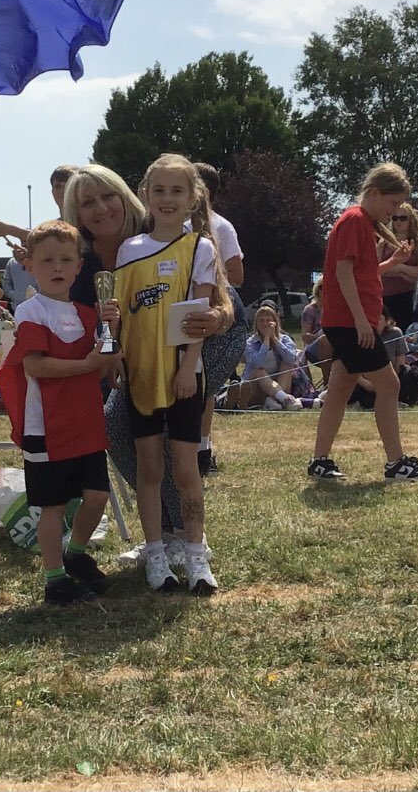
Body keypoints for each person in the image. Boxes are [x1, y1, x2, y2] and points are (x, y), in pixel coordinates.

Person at [62, 163, 244, 565]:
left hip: (211, 339)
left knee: (171, 440)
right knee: (116, 427)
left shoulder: (162, 223)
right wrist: (110, 352)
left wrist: (217, 318)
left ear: (128, 195)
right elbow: (100, 322)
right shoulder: (82, 260)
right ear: (76, 212)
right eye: (88, 203)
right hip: (143, 353)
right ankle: (160, 533)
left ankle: (187, 536)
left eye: (108, 196)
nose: (101, 208)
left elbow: (224, 296)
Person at [115, 153, 231, 596]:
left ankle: (197, 556)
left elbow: (198, 315)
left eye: (177, 191)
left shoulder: (201, 247)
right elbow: (121, 315)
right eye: (159, 190)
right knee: (148, 468)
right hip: (141, 377)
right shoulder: (129, 249)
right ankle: (156, 553)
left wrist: (187, 367)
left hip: (185, 376)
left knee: (186, 469)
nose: (167, 199)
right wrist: (116, 352)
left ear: (193, 197)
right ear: (145, 195)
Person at [0, 220, 117, 606]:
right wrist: (87, 365)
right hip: (46, 426)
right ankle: (54, 580)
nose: (57, 267)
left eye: (65, 259)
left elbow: (104, 356)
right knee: (53, 506)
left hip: (86, 421)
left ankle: (75, 555)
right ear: (29, 265)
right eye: (47, 260)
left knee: (97, 496)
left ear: (79, 266)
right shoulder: (30, 310)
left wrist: (112, 335)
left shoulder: (87, 313)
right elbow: (35, 366)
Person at [308, 163, 418, 482]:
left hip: (346, 322)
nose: (394, 213)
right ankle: (396, 463)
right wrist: (361, 321)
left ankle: (319, 461)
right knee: (390, 383)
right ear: (376, 193)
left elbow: (361, 273)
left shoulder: (361, 222)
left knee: (340, 388)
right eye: (393, 204)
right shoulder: (355, 220)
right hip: (350, 323)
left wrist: (392, 262)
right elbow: (342, 273)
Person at [191, 162, 244, 476]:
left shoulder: (221, 227)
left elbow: (237, 275)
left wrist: (210, 281)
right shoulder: (169, 222)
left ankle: (203, 448)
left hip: (212, 308)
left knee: (204, 382)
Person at [0, 164, 80, 247]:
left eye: (68, 185)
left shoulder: (83, 219)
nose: (63, 190)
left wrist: (10, 230)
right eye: (58, 186)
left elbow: (54, 239)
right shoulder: (55, 224)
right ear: (53, 193)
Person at [237, 304, 306, 410]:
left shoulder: (285, 339)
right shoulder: (250, 342)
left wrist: (274, 339)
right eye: (261, 321)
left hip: (279, 385)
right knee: (259, 371)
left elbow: (292, 359)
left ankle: (274, 400)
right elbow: (258, 363)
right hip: (255, 388)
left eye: (268, 320)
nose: (265, 324)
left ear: (275, 322)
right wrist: (266, 340)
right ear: (256, 324)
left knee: (286, 365)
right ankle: (284, 398)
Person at [378, 202, 418, 331]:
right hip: (385, 297)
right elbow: (375, 269)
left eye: (403, 218)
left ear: (411, 220)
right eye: (395, 218)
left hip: (410, 297)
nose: (398, 221)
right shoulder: (383, 242)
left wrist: (400, 269)